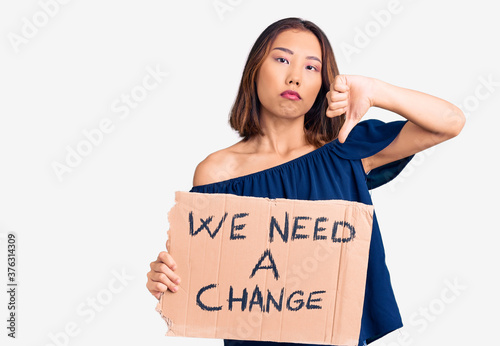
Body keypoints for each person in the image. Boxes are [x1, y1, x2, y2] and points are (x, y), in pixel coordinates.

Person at [146, 17, 465, 346]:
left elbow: (450, 123)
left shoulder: (346, 150)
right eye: (282, 59)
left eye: (312, 67)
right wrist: (165, 277)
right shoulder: (216, 172)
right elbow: (204, 279)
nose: (295, 77)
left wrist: (375, 90)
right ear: (255, 69)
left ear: (324, 84)